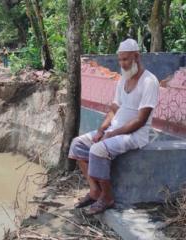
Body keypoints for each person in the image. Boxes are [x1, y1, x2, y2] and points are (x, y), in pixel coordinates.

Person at [68, 38, 160, 215]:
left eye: (125, 59)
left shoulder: (149, 81)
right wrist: (102, 129)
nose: (122, 64)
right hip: (114, 131)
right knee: (77, 144)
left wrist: (112, 134)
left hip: (135, 135)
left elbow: (141, 120)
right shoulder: (122, 79)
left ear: (136, 56)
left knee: (97, 150)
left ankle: (107, 197)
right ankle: (95, 191)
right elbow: (114, 108)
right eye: (120, 60)